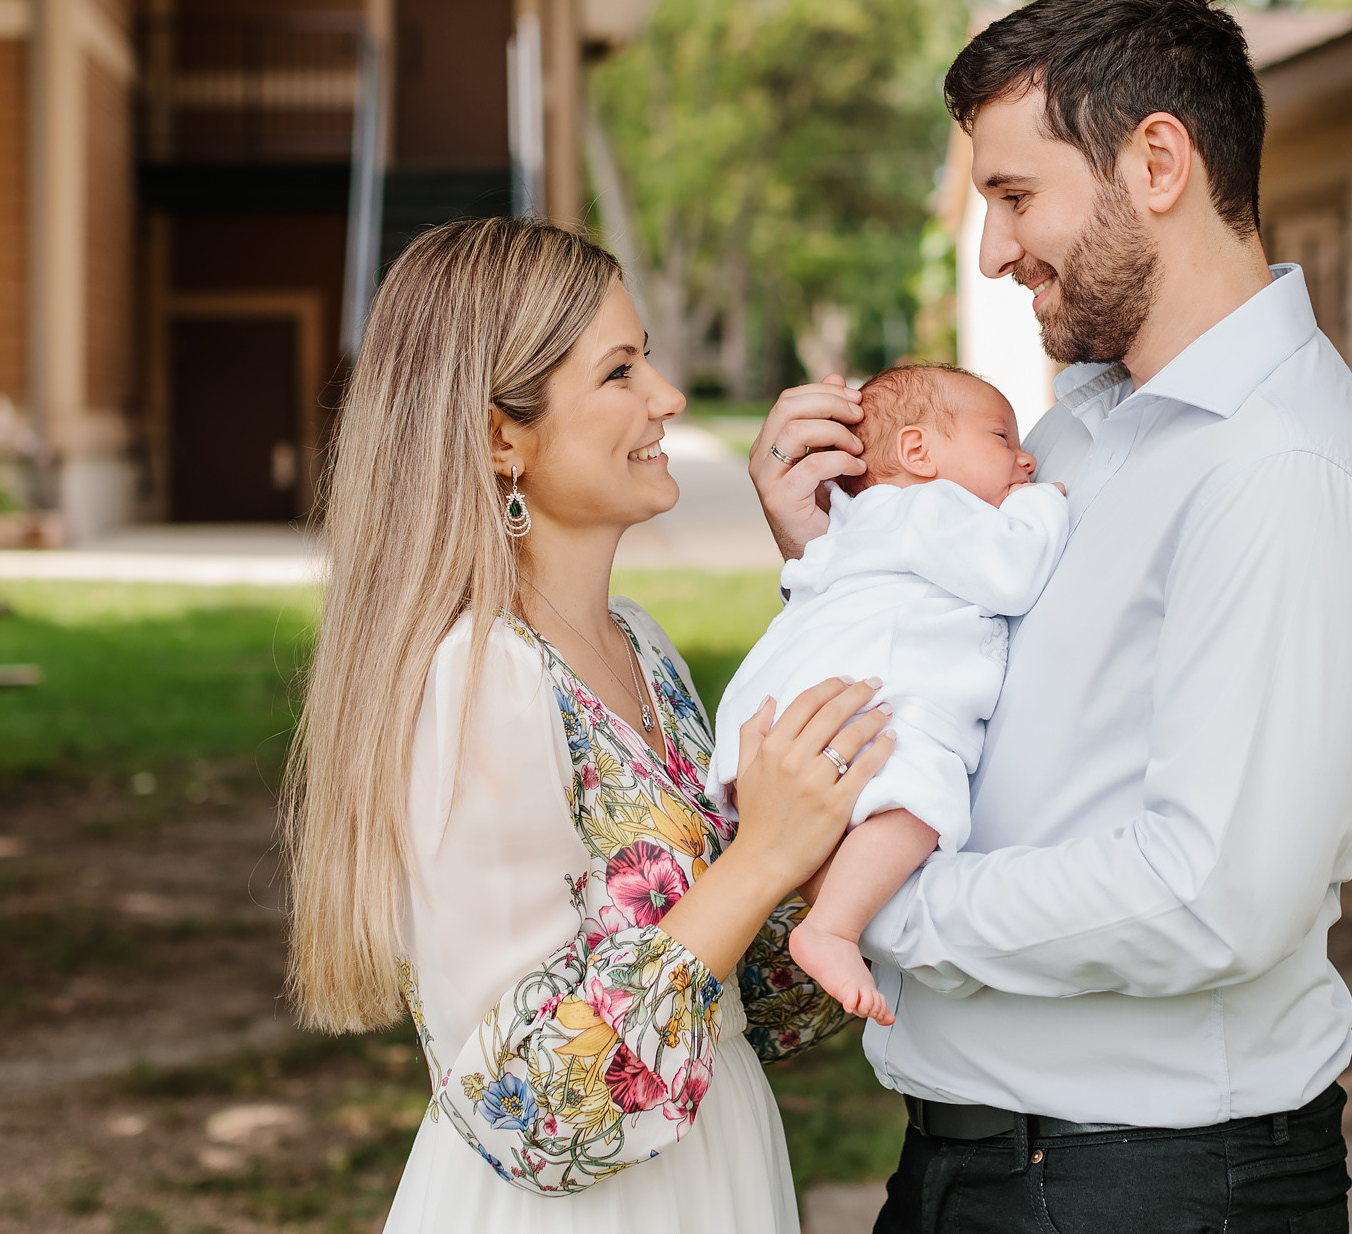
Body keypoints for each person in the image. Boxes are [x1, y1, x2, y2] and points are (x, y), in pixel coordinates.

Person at [748, 0, 1352, 1232]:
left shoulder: (1278, 471)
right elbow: (996, 712)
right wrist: (847, 560)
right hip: (983, 1166)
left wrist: (872, 901)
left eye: (1016, 196)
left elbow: (1209, 894)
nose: (990, 251)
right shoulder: (1075, 439)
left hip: (1151, 1186)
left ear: (1158, 163)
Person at [283, 217, 895, 1233]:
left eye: (648, 358)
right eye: (620, 372)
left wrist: (831, 571)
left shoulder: (640, 647)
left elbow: (756, 996)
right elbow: (530, 1104)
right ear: (499, 436)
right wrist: (760, 860)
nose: (669, 397)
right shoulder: (481, 678)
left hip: (715, 1170)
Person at [707, 363, 1069, 1026]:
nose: (1026, 459)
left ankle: (832, 905)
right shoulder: (928, 507)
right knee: (921, 801)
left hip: (783, 707)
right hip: (875, 701)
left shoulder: (860, 520)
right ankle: (833, 928)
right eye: (1000, 438)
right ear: (917, 452)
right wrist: (1041, 504)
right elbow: (1012, 571)